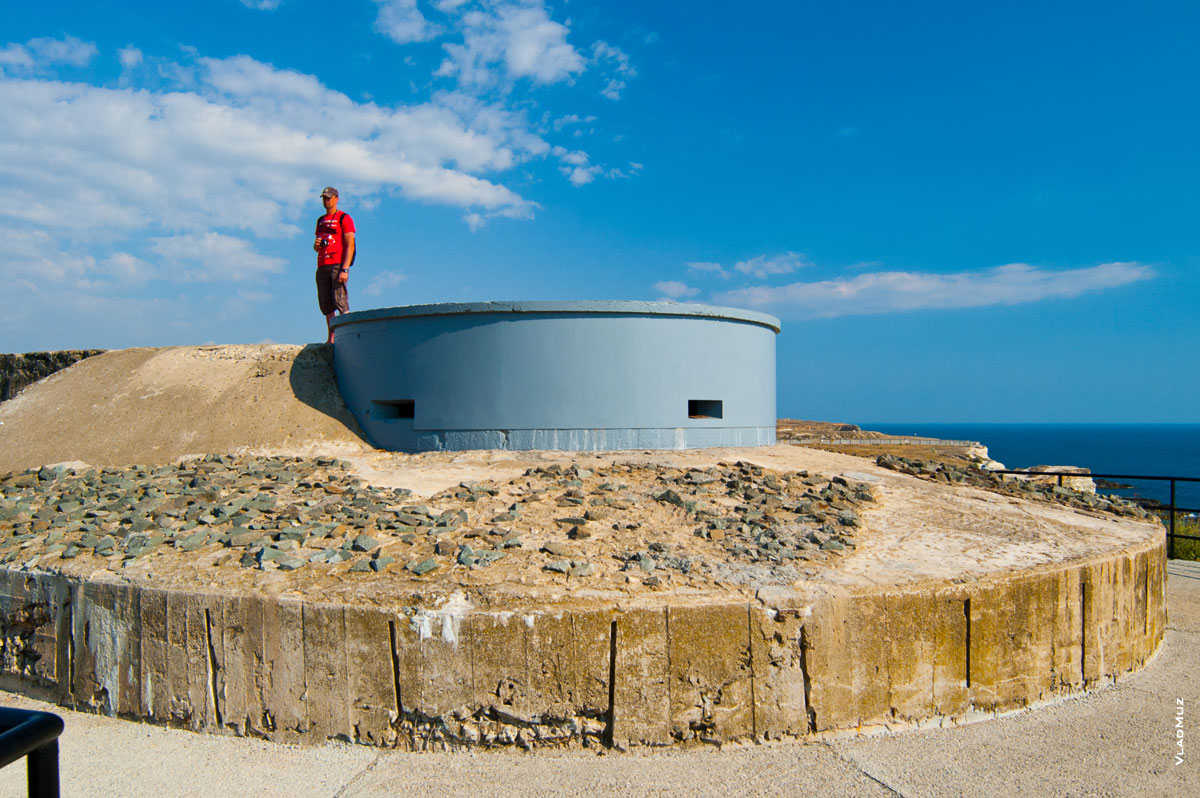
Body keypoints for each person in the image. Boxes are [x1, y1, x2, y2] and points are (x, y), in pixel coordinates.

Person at [313, 186, 356, 344]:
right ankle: (331, 337)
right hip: (322, 264)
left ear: (336, 199)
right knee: (326, 304)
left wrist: (345, 268)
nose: (326, 201)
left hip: (337, 263)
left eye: (329, 198)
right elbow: (316, 246)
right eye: (324, 198)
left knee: (340, 300)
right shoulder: (320, 221)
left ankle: (347, 335)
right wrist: (317, 245)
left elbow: (349, 245)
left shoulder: (344, 218)